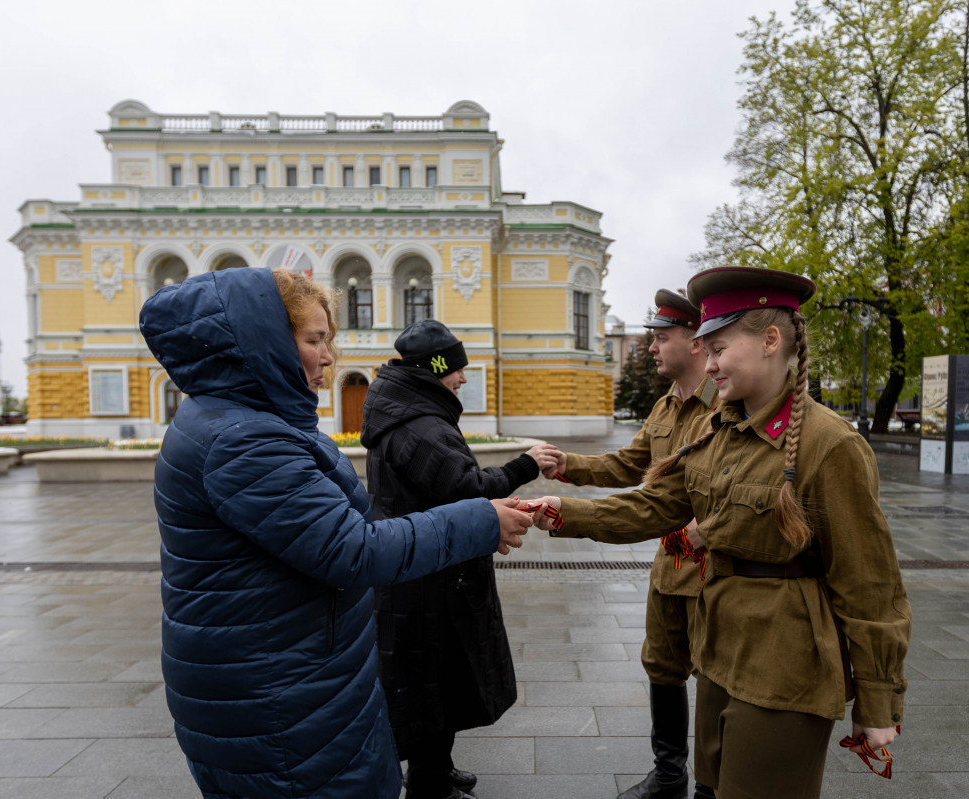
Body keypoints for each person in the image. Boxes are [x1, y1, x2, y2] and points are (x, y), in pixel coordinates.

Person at [139, 267, 533, 799]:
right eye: (314, 339)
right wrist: (484, 519)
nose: (329, 357)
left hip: (287, 673)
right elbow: (353, 549)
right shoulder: (243, 440)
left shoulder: (242, 421)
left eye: (329, 340)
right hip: (279, 694)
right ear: (262, 342)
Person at [521, 266, 911, 799]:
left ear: (771, 340)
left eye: (719, 347)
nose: (711, 361)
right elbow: (656, 506)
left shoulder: (830, 444)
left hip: (784, 663)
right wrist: (560, 512)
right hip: (719, 651)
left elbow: (870, 585)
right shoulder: (717, 429)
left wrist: (877, 699)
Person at [361, 319, 561, 799]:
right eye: (456, 369)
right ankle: (429, 785)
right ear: (435, 371)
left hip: (428, 569)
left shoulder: (412, 412)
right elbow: (466, 489)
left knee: (439, 678)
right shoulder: (422, 426)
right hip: (429, 580)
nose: (463, 379)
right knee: (433, 680)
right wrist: (526, 465)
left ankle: (436, 767)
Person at [543, 289, 716, 799]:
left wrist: (563, 513)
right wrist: (568, 464)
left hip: (711, 567)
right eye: (652, 338)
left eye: (662, 338)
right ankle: (668, 777)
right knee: (662, 666)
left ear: (697, 341)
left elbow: (661, 502)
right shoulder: (666, 405)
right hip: (671, 563)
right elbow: (629, 464)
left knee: (714, 677)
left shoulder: (722, 408)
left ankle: (708, 784)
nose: (651, 348)